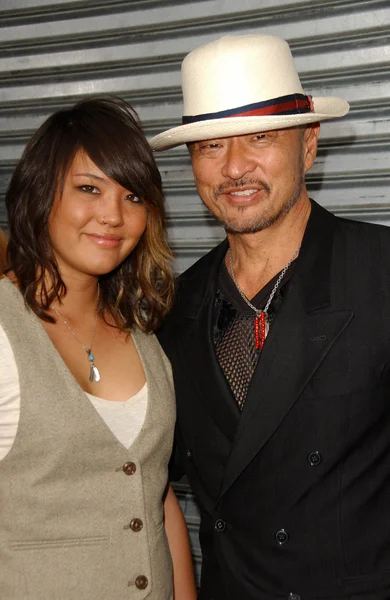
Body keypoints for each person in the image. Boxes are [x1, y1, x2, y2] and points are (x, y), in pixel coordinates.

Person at [151, 34, 390, 600]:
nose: (235, 167)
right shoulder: (174, 308)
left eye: (260, 137)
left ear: (309, 145)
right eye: (210, 146)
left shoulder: (380, 273)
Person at [0, 96, 196, 600]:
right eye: (89, 189)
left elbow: (153, 495)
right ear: (41, 194)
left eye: (133, 197)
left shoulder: (145, 331)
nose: (113, 215)